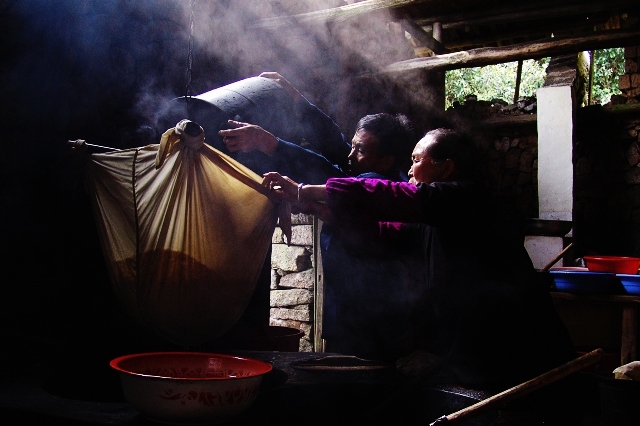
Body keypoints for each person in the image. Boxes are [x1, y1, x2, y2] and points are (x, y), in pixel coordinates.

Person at [262, 128, 577, 392]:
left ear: (446, 167)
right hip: (482, 355)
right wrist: (318, 209)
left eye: (416, 160)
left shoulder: (468, 199)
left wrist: (305, 190)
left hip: (524, 354)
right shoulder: (432, 217)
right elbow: (382, 233)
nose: (409, 170)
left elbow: (387, 196)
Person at [219, 73, 419, 361]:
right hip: (349, 309)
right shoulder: (370, 170)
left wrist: (271, 145)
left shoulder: (384, 191)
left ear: (386, 161)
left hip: (371, 317)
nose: (350, 155)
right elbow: (335, 145)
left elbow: (333, 177)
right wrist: (298, 101)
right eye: (354, 145)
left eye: (360, 149)